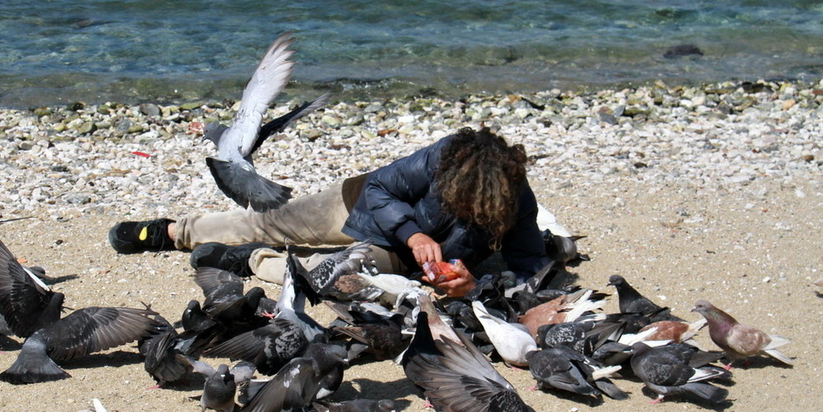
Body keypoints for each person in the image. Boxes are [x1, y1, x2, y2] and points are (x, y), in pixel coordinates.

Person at [108, 126, 550, 298]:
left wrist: (476, 282)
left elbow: (528, 264)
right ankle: (172, 231)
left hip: (395, 258)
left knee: (333, 278)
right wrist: (414, 232)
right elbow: (379, 187)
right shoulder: (445, 158)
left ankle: (250, 260)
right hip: (357, 203)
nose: (463, 207)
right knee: (268, 221)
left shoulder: (515, 203)